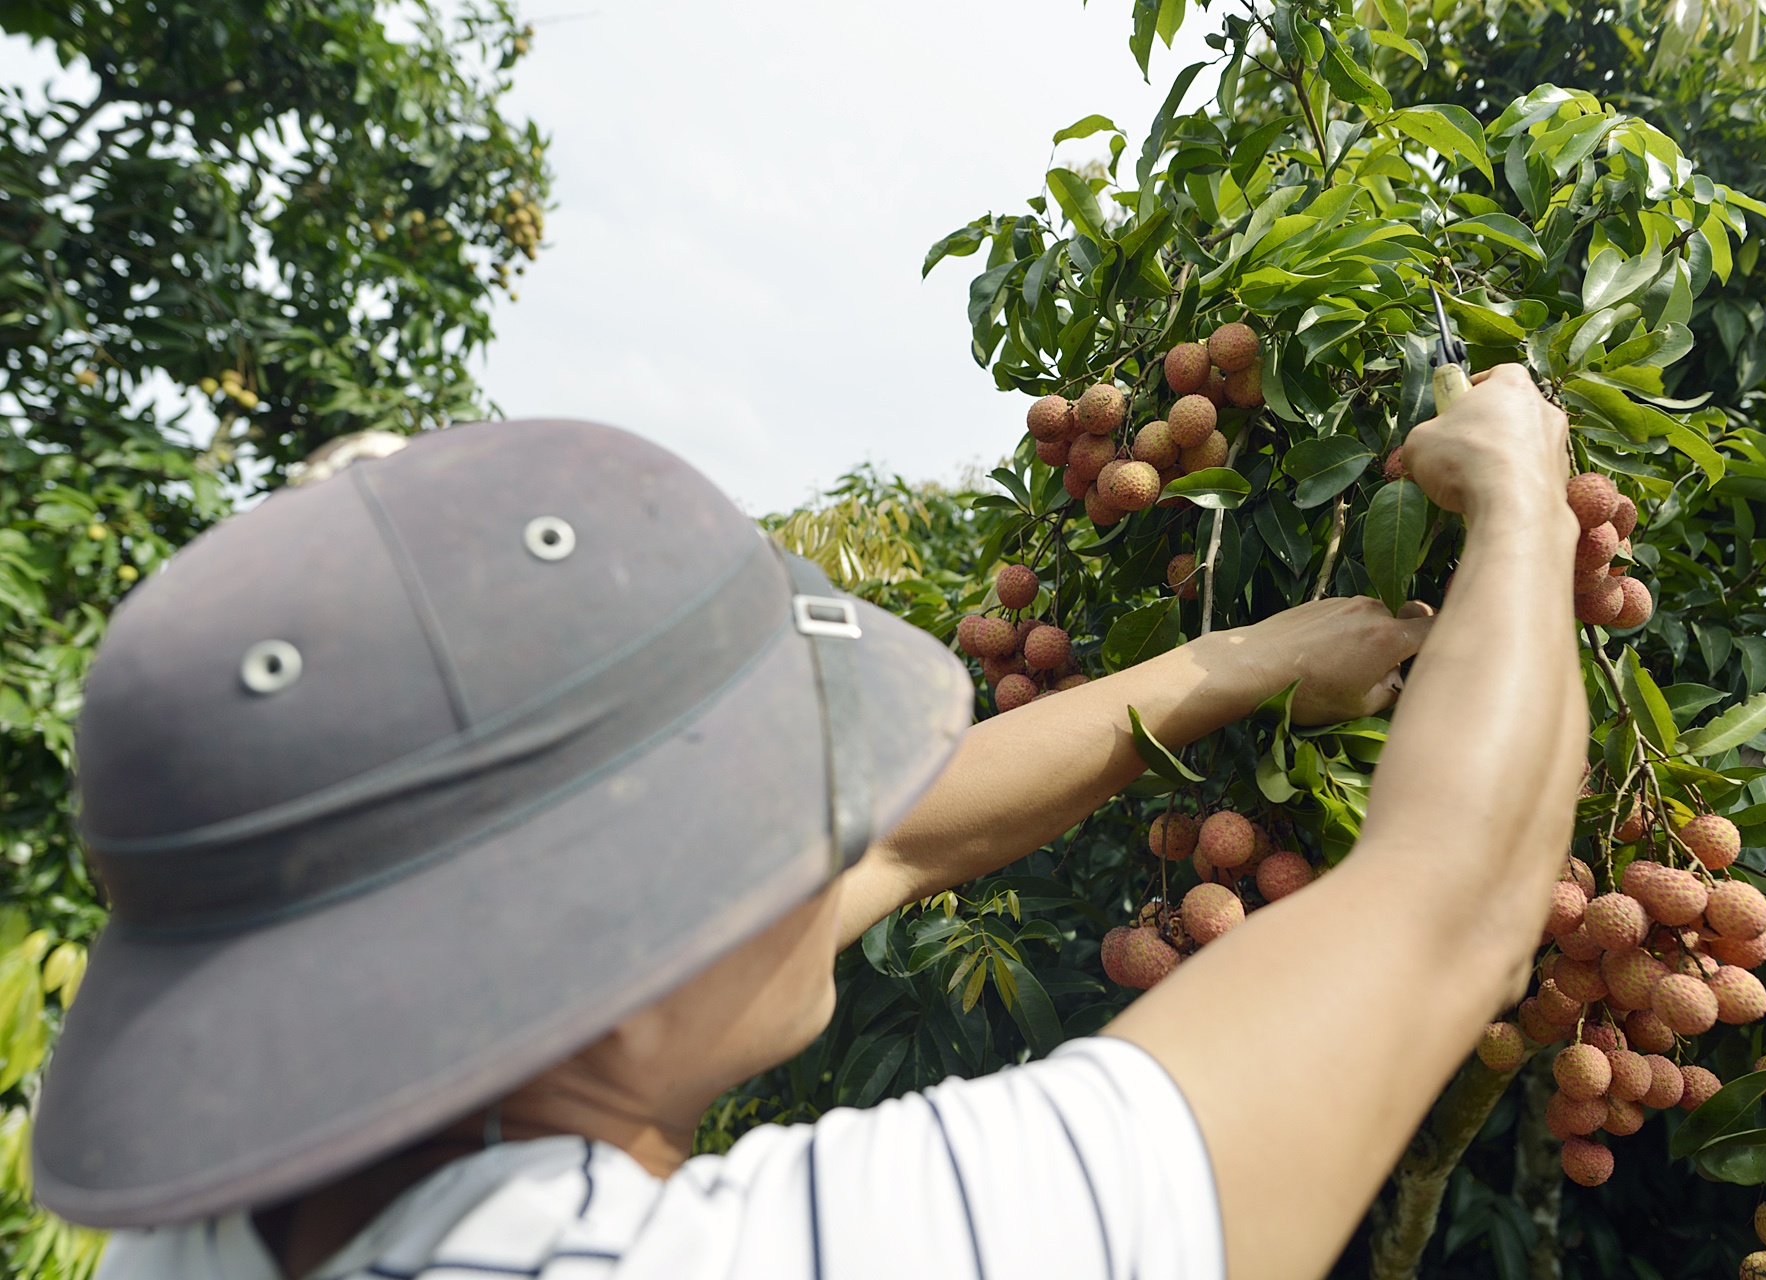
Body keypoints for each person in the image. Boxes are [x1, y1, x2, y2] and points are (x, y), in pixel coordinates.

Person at [34, 365, 1583, 1280]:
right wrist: (1520, 497)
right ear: (611, 979)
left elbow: (903, 840)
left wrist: (1231, 664)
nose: (821, 830)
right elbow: (1450, 899)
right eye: (762, 801)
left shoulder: (231, 1216)